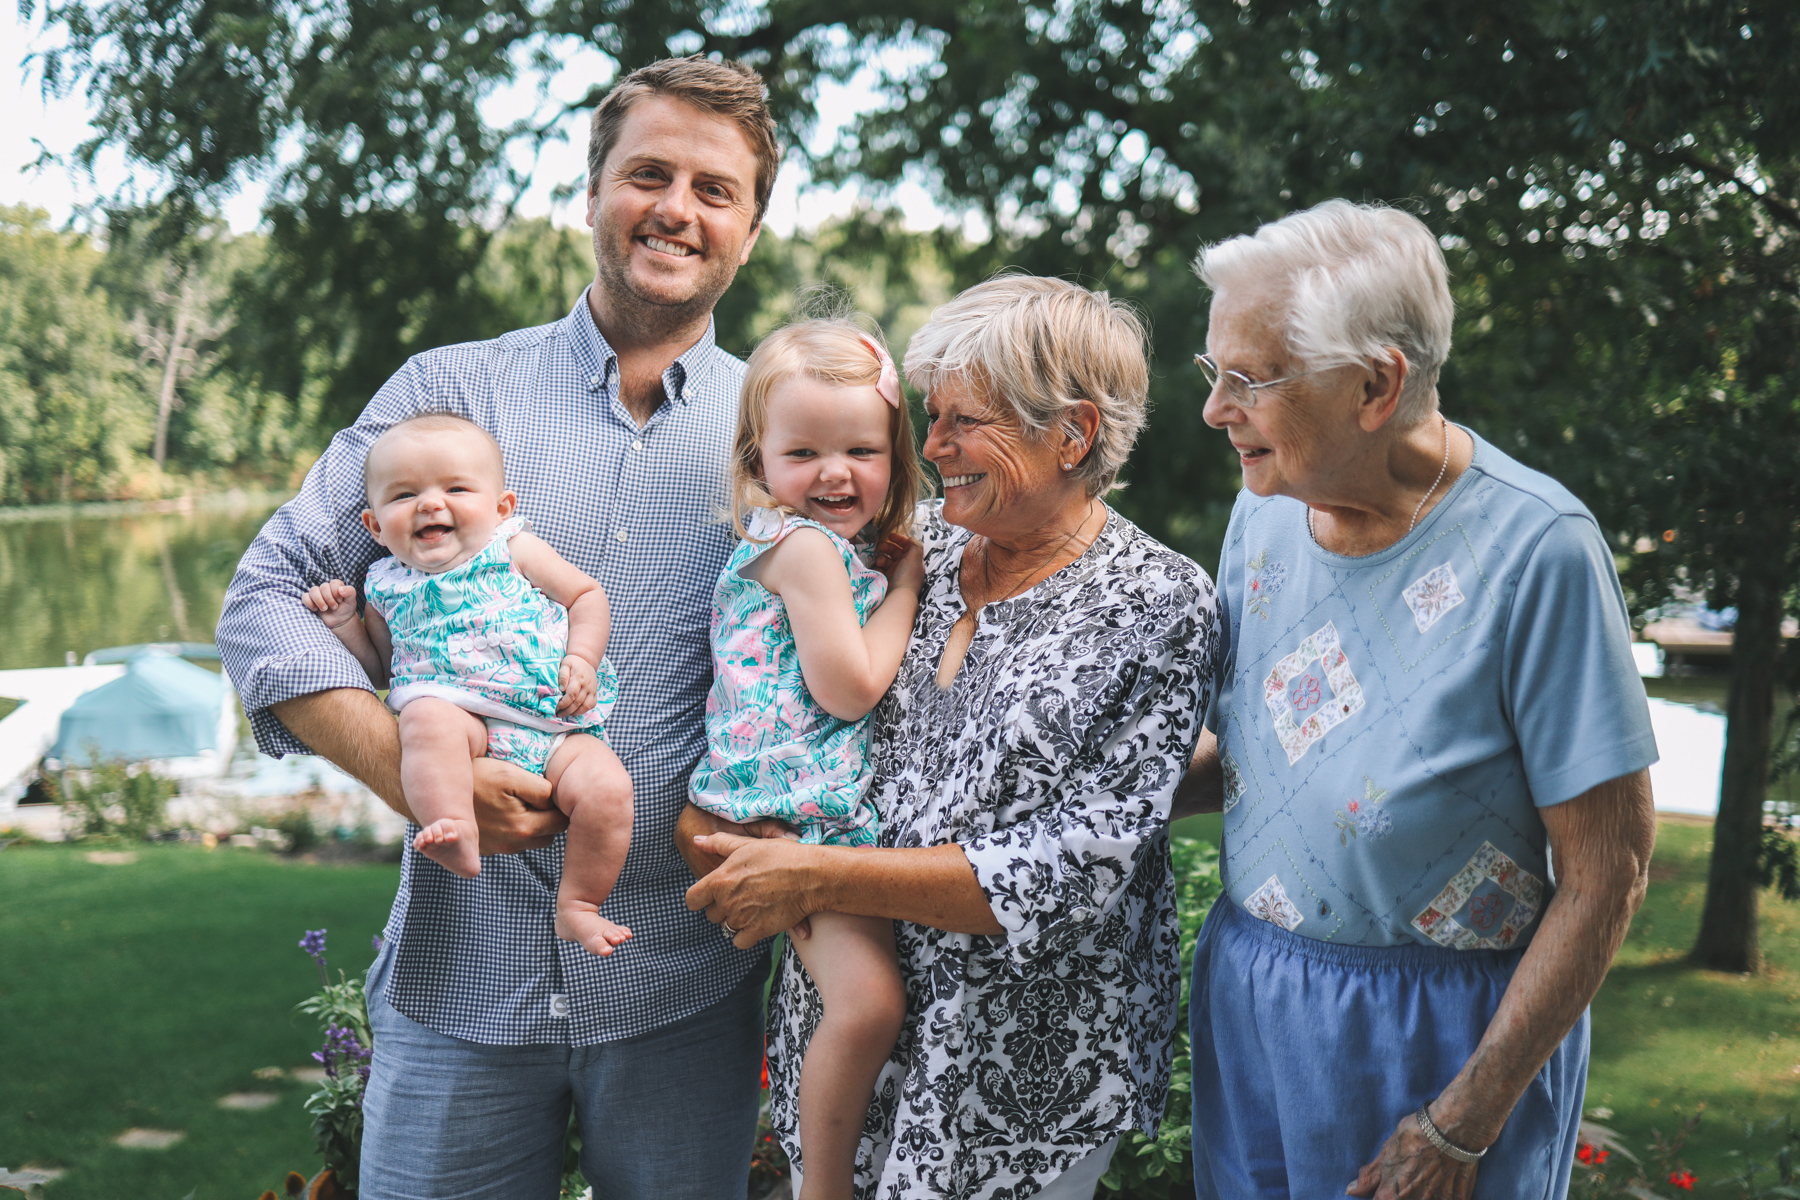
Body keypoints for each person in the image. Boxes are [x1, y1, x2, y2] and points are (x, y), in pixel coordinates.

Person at [217, 55, 780, 1199]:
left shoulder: (784, 426)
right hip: (458, 980)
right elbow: (266, 596)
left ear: (752, 227)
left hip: (687, 987)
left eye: (715, 190)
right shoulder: (452, 393)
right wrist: (405, 766)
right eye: (649, 174)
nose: (677, 209)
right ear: (593, 192)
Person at [679, 276, 1220, 1200]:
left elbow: (1079, 861)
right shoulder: (902, 548)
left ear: (1073, 434)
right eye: (926, 419)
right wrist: (724, 832)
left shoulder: (1156, 604)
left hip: (1015, 1073)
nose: (930, 449)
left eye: (961, 423)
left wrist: (819, 876)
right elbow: (769, 710)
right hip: (849, 1033)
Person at [1176, 199, 1658, 1200]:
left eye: (1248, 380)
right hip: (1256, 1004)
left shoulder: (1538, 554)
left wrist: (1461, 1125)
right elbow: (1263, 759)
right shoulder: (1265, 510)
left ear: (1375, 385)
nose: (1216, 410)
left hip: (1438, 1044)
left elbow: (1608, 873)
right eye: (1211, 372)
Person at [688, 317, 925, 1200]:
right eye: (805, 452)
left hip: (779, 796)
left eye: (862, 448)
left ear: (896, 454)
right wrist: (906, 585)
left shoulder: (794, 543)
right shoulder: (807, 550)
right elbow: (852, 687)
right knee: (869, 1007)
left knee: (849, 1003)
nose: (836, 472)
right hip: (794, 812)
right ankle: (820, 1189)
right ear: (758, 459)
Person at [301, 413, 635, 956]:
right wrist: (345, 626)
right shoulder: (385, 585)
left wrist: (582, 658)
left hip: (551, 724)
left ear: (502, 507)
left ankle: (578, 905)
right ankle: (453, 824)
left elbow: (585, 597)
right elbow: (383, 671)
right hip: (461, 722)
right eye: (405, 495)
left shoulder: (513, 548)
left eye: (456, 488)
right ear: (375, 527)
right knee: (424, 719)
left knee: (611, 791)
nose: (431, 504)